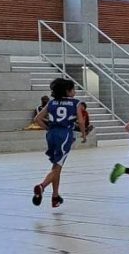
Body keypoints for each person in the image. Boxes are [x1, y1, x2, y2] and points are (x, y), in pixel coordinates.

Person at [32, 77, 91, 209]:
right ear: (67, 91)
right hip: (64, 135)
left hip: (51, 135)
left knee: (56, 166)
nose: (75, 92)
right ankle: (42, 186)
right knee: (57, 167)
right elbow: (81, 122)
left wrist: (48, 129)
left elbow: (37, 118)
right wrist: (83, 134)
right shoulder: (75, 103)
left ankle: (55, 196)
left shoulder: (51, 102)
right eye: (73, 89)